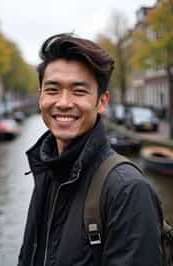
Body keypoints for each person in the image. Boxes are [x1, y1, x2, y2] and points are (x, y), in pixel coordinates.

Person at [18, 33, 163, 266]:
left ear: (102, 101)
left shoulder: (128, 190)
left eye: (79, 91)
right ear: (40, 97)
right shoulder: (46, 171)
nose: (63, 102)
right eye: (53, 89)